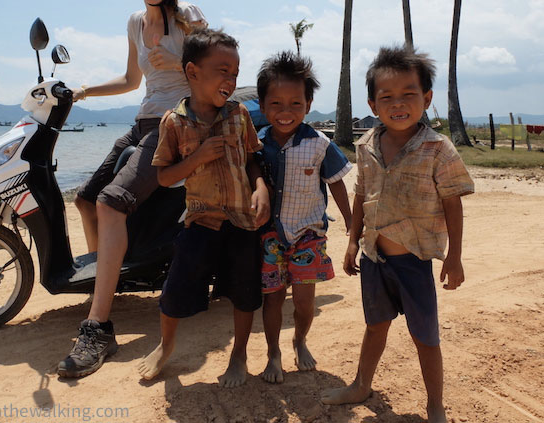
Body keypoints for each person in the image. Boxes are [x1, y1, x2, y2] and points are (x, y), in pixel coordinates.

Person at [57, 0, 207, 378]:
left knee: (111, 201)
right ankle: (110, 286)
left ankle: (99, 326)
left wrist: (185, 71)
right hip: (143, 121)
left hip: (176, 125)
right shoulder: (134, 22)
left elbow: (212, 67)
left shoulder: (190, 18)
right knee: (85, 198)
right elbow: (129, 80)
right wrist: (84, 91)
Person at [321, 45, 474, 423]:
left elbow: (453, 203)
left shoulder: (438, 148)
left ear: (427, 98)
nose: (398, 103)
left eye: (409, 94)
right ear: (373, 104)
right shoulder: (367, 145)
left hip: (415, 260)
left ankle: (435, 404)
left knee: (425, 337)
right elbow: (361, 195)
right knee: (375, 326)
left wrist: (454, 256)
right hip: (375, 257)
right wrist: (352, 241)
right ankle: (360, 385)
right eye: (387, 97)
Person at [136, 28, 270, 388]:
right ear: (193, 72)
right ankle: (166, 346)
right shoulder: (174, 122)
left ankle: (239, 354)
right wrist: (196, 158)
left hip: (242, 221)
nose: (231, 79)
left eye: (235, 72)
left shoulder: (239, 115)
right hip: (201, 221)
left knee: (245, 292)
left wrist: (261, 189)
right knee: (176, 288)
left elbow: (254, 160)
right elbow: (163, 177)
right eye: (222, 70)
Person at [253, 51, 353, 384]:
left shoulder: (319, 144)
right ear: (264, 105)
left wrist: (352, 224)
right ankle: (273, 353)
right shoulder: (256, 144)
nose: (286, 112)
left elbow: (336, 182)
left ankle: (299, 340)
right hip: (270, 235)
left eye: (295, 104)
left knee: (305, 303)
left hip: (309, 233)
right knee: (273, 299)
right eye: (276, 104)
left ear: (308, 105)